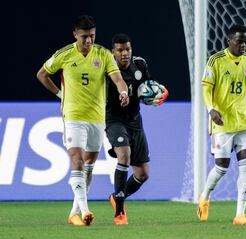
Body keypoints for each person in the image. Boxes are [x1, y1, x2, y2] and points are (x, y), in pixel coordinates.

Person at [36, 15, 129, 226]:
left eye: (92, 36)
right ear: (75, 35)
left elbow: (117, 78)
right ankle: (86, 211)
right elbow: (42, 74)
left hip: (97, 117)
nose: (89, 41)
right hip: (73, 116)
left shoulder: (104, 54)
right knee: (76, 160)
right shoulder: (65, 54)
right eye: (85, 37)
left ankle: (74, 213)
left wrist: (123, 92)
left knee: (89, 165)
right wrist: (60, 94)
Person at [197, 24, 246, 225]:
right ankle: (205, 197)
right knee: (222, 168)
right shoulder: (216, 61)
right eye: (239, 41)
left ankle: (240, 214)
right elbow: (206, 88)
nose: (243, 45)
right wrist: (211, 110)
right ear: (229, 41)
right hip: (222, 123)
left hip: (244, 121)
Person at [105, 33, 168, 225]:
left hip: (135, 121)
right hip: (114, 120)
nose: (125, 53)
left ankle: (116, 197)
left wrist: (155, 93)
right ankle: (120, 212)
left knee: (143, 174)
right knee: (124, 155)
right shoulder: (107, 68)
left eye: (128, 49)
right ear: (113, 52)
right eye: (120, 50)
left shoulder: (139, 64)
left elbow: (147, 87)